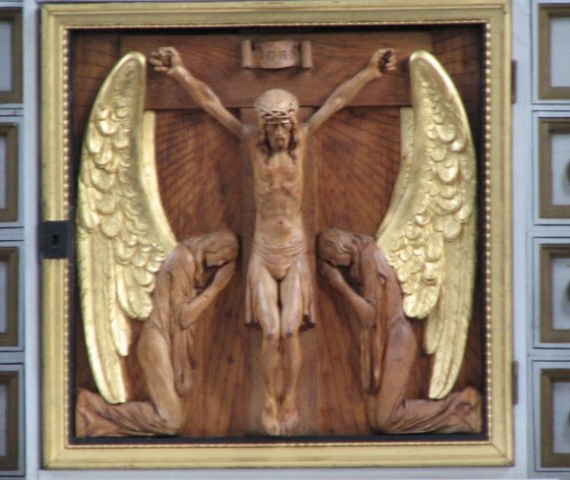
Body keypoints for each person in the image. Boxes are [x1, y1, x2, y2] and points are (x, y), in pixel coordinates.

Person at [150, 46, 396, 436]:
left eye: (285, 127)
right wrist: (179, 72)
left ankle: (290, 400)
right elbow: (212, 104)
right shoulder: (251, 143)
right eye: (274, 128)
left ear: (293, 125)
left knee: (290, 331)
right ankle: (269, 399)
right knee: (270, 331)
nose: (280, 134)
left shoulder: (303, 140)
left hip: (294, 252)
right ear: (263, 128)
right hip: (264, 253)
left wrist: (369, 71)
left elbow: (337, 101)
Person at [317, 228, 481, 434]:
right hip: (384, 340)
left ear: (340, 247)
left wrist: (339, 284)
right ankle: (457, 416)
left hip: (395, 339)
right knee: (376, 421)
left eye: (333, 259)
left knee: (385, 420)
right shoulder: (369, 254)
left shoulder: (370, 256)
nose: (337, 265)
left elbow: (369, 315)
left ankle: (460, 407)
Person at [76, 230, 238, 437]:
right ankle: (93, 406)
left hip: (163, 342)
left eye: (225, 263)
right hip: (157, 342)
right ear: (214, 245)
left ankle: (94, 416)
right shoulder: (183, 258)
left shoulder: (187, 259)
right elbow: (183, 317)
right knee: (171, 421)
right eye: (223, 258)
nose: (219, 264)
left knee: (171, 421)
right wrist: (216, 287)